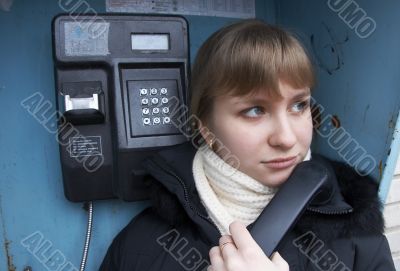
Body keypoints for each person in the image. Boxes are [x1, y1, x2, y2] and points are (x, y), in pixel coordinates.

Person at [100, 20, 395, 271]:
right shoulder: (145, 245)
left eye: (299, 105)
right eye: (254, 110)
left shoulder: (355, 232)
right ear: (206, 128)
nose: (286, 138)